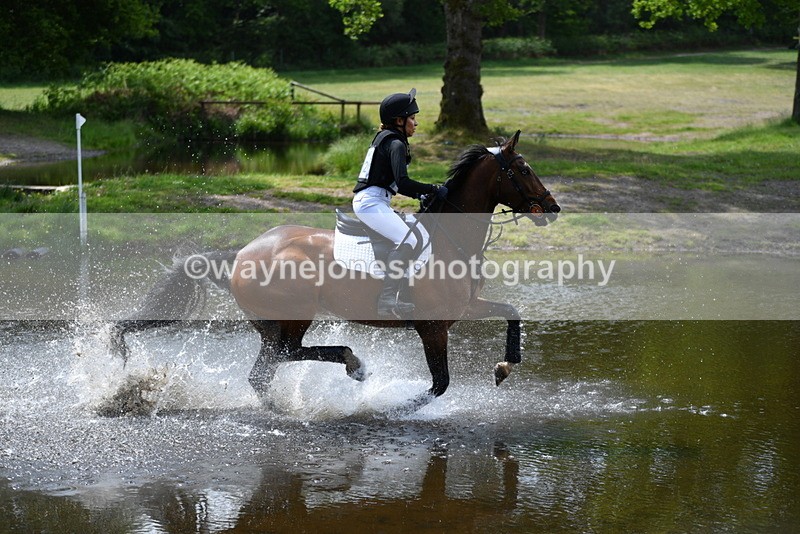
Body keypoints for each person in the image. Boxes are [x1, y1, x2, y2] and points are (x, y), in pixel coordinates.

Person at [353, 88, 447, 319]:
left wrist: (420, 196)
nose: (416, 123)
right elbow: (402, 183)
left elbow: (393, 182)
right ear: (399, 120)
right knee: (409, 239)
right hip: (370, 203)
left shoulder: (387, 139)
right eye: (412, 118)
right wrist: (431, 189)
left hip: (376, 200)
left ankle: (402, 294)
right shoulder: (395, 144)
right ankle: (387, 299)